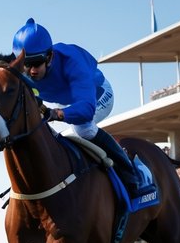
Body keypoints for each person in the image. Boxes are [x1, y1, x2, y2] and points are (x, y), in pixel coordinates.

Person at [12, 17, 139, 194]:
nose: (32, 71)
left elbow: (86, 110)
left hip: (96, 95)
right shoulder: (22, 70)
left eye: (37, 64)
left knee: (83, 129)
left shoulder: (72, 61)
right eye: (26, 65)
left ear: (49, 56)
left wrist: (56, 114)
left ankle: (130, 172)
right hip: (64, 100)